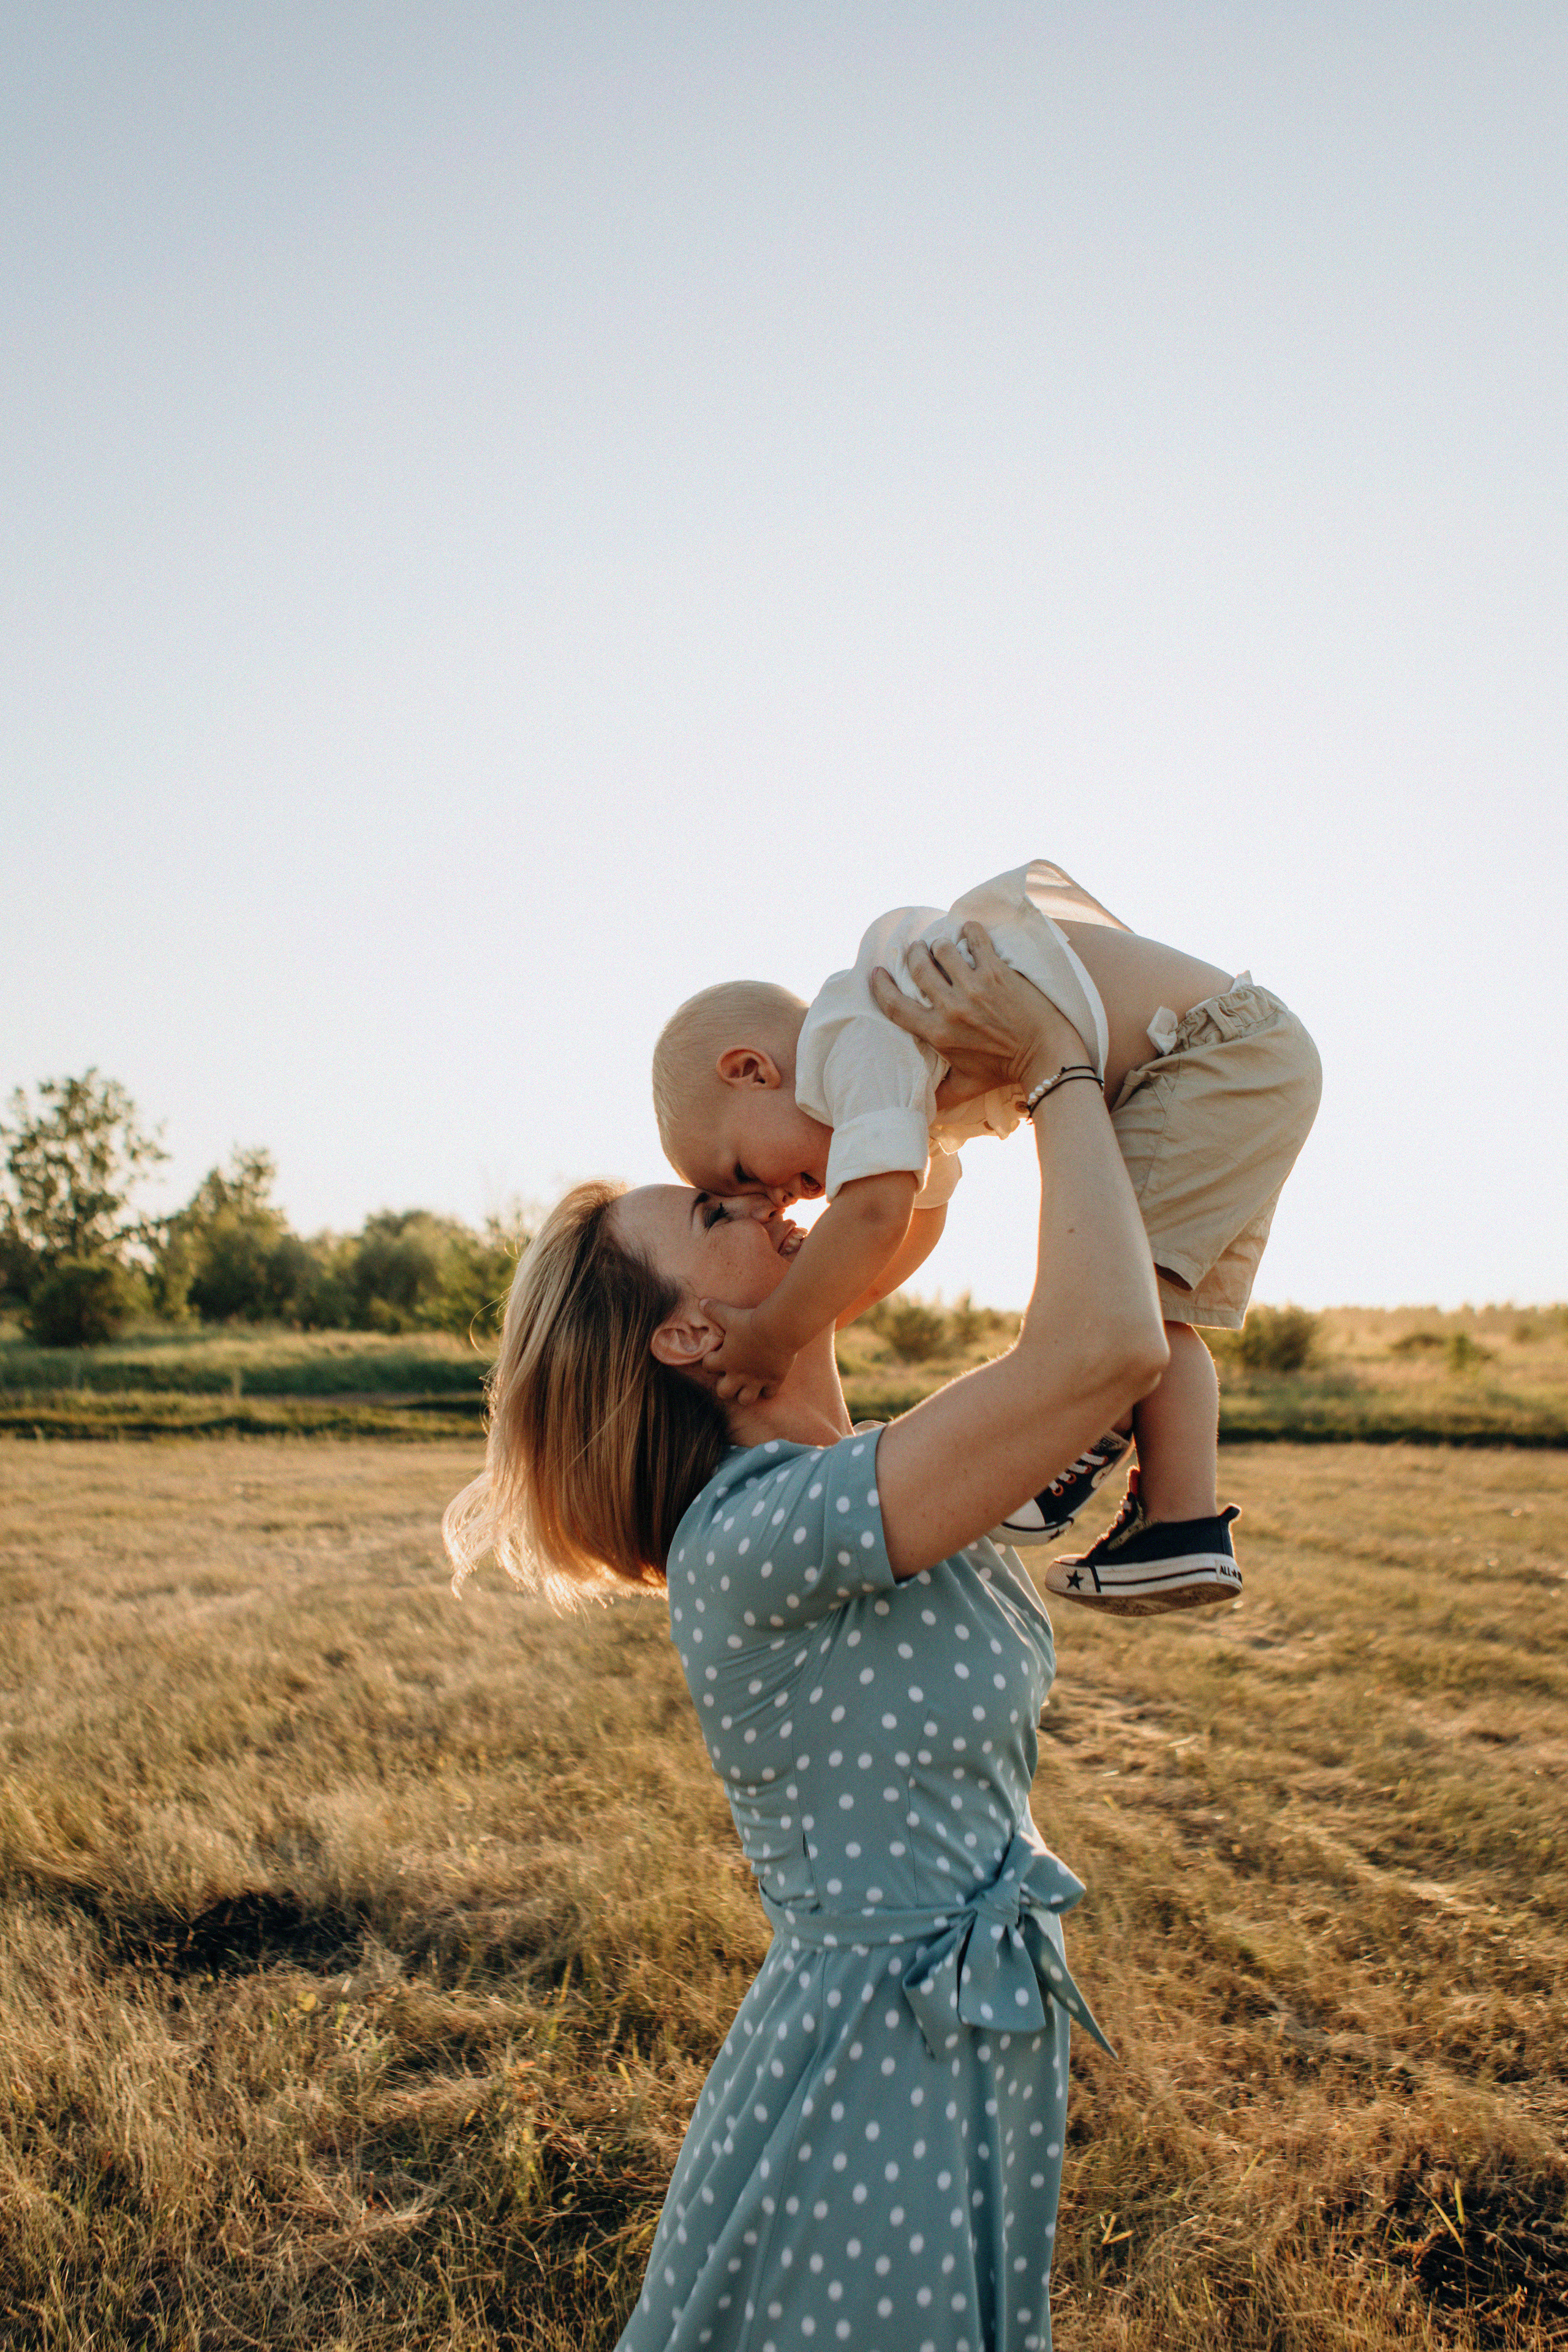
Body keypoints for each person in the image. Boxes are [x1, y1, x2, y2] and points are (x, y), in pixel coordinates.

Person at [445, 927, 1171, 2352]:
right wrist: (1059, 1070)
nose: (780, 1209)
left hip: (956, 2045)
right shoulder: (760, 1528)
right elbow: (1101, 1345)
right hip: (871, 2075)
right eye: (723, 1213)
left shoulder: (857, 1481)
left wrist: (914, 1085)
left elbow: (907, 1206)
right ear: (680, 1338)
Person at [650, 860, 1321, 1615]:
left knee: (1111, 1297)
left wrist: (777, 1331)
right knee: (1152, 1306)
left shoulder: (850, 1037)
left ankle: (1069, 1447)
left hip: (1207, 1054)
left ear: (751, 1070)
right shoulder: (896, 1076)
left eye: (741, 1170)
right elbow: (915, 1222)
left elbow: (874, 1216)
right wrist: (824, 1320)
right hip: (1233, 1064)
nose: (769, 1199)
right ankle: (1180, 1524)